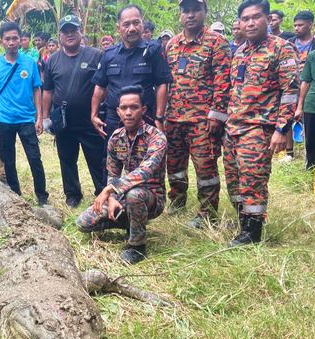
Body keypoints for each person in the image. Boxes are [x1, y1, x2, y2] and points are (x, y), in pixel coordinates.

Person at [224, 0, 299, 247]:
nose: (250, 22)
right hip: (233, 128)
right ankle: (242, 221)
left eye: (256, 17)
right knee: (234, 181)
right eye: (245, 19)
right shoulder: (239, 52)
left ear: (267, 19)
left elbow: (290, 91)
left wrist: (281, 129)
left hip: (259, 128)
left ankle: (252, 233)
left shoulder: (281, 49)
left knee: (253, 180)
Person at [76, 86, 166, 264]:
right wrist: (111, 199)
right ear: (117, 111)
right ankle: (130, 221)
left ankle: (137, 246)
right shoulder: (116, 138)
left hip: (152, 198)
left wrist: (109, 190)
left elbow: (146, 171)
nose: (129, 113)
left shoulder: (156, 137)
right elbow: (113, 173)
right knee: (83, 222)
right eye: (124, 108)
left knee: (135, 195)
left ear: (143, 110)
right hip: (124, 195)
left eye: (134, 107)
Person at [165, 0, 231, 227]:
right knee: (174, 166)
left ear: (205, 13)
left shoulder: (217, 42)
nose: (190, 15)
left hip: (202, 120)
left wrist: (216, 115)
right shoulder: (172, 44)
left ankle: (207, 212)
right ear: (180, 14)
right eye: (186, 11)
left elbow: (223, 82)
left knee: (205, 168)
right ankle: (177, 201)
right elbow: (166, 82)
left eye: (196, 10)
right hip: (173, 118)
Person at [42, 15, 105, 208]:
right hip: (64, 122)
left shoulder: (96, 55)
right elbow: (47, 90)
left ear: (80, 32)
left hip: (90, 121)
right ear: (59, 36)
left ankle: (102, 192)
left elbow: (104, 86)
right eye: (65, 31)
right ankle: (72, 194)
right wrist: (44, 117)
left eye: (73, 30)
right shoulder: (52, 60)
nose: (69, 35)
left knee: (97, 159)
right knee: (67, 160)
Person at [0, 21, 49, 205]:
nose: (12, 42)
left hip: (27, 119)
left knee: (35, 158)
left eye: (15, 38)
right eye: (8, 39)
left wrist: (39, 117)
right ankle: (16, 195)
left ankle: (42, 197)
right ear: (1, 41)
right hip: (5, 120)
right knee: (8, 160)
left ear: (20, 40)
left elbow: (37, 90)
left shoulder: (29, 63)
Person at [91, 4, 172, 141]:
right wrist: (94, 115)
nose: (132, 28)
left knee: (146, 159)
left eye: (136, 23)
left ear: (142, 24)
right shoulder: (109, 55)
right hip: (114, 119)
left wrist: (159, 117)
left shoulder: (153, 51)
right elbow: (99, 86)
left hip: (145, 118)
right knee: (112, 159)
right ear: (118, 28)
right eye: (126, 24)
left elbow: (162, 84)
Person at [279, 11, 315, 163]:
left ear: (310, 25)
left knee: (308, 118)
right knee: (288, 114)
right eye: (295, 25)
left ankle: (308, 151)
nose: (296, 28)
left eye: (300, 25)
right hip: (291, 83)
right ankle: (289, 152)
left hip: (309, 85)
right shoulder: (290, 43)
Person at [296, 37, 315, 170]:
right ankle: (311, 168)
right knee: (311, 141)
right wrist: (300, 106)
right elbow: (305, 81)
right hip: (312, 105)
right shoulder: (312, 56)